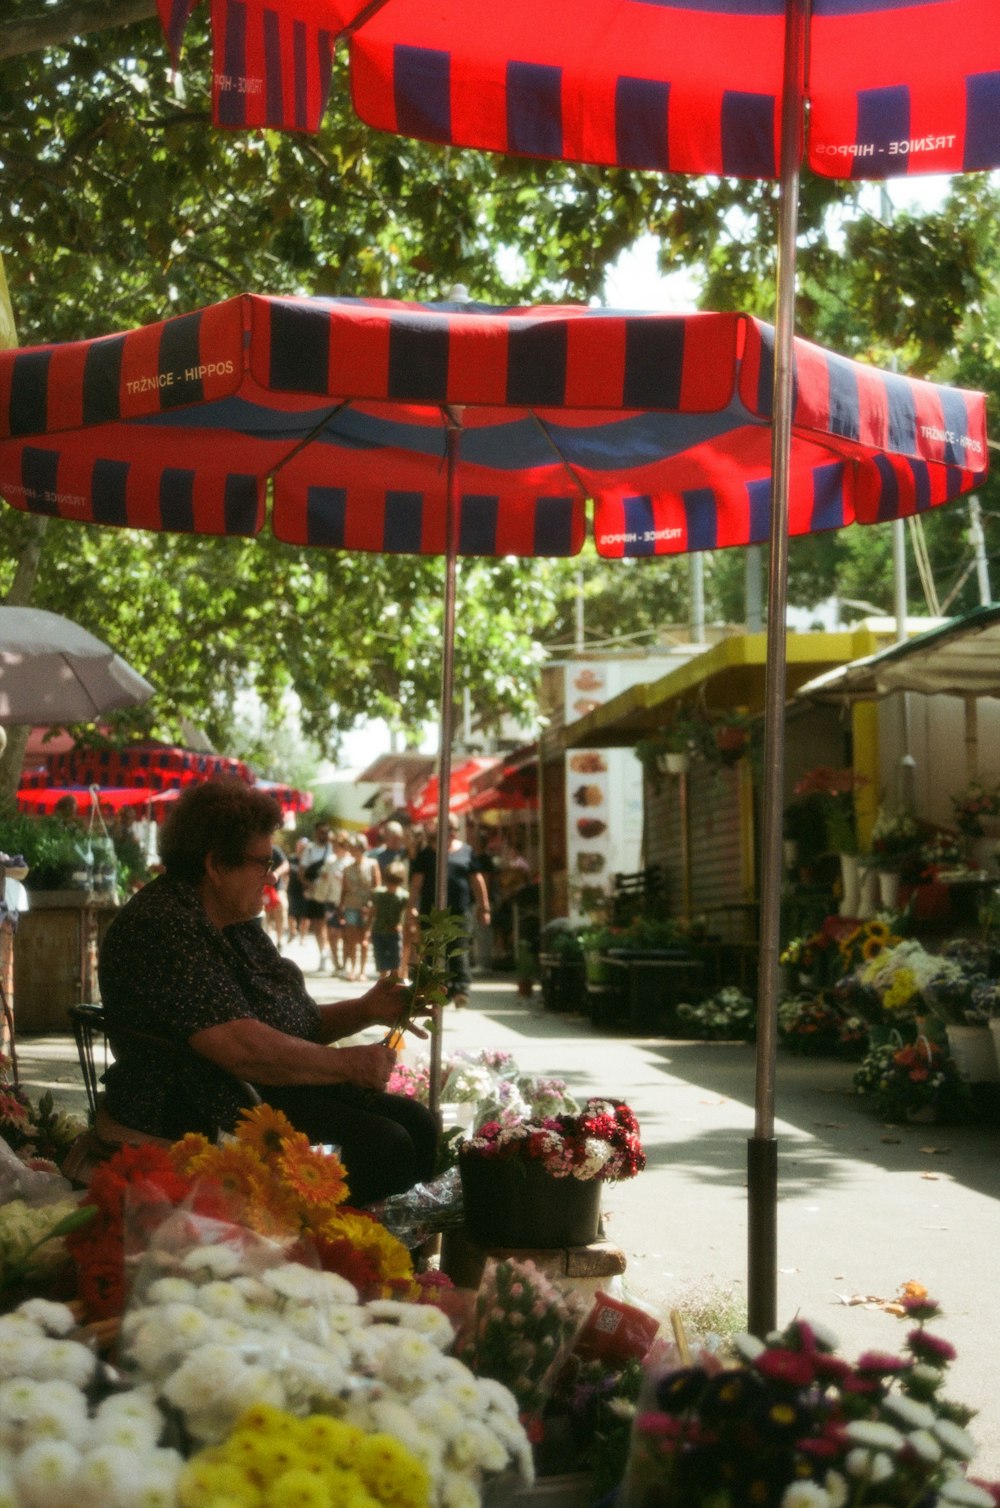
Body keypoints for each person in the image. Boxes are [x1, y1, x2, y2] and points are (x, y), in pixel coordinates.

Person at [98, 779, 437, 1208]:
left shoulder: (233, 920)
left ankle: (392, 1260)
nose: (272, 874)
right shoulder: (164, 924)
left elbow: (289, 1026)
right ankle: (347, 1261)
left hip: (252, 1089)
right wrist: (346, 1063)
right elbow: (241, 1047)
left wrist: (366, 1009)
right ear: (215, 866)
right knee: (385, 1144)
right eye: (262, 862)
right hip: (191, 1102)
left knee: (418, 1124)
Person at [407, 814, 490, 1007]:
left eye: (454, 829)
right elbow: (416, 884)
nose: (452, 833)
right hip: (432, 911)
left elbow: (477, 881)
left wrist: (484, 907)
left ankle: (460, 990)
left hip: (460, 911)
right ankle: (436, 989)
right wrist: (410, 908)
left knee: (459, 949)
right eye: (447, 829)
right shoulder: (427, 854)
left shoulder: (466, 852)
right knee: (432, 952)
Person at [340, 835, 380, 981]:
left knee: (364, 938)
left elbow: (377, 887)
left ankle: (362, 971)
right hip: (351, 905)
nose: (352, 850)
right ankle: (353, 968)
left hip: (367, 906)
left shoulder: (372, 864)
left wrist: (374, 906)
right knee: (351, 937)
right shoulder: (347, 868)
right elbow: (344, 890)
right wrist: (340, 907)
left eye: (354, 847)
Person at [370, 861, 409, 978]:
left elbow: (406, 914)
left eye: (395, 883)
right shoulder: (378, 894)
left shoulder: (404, 896)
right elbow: (373, 911)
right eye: (389, 883)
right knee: (381, 961)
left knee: (395, 961)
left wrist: (404, 928)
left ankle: (395, 983)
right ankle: (383, 983)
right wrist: (367, 929)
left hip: (394, 932)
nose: (391, 886)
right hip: (378, 931)